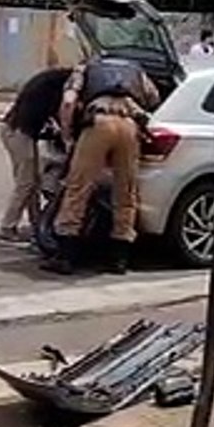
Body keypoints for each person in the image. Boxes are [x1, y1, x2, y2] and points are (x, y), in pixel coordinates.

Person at [46, 56, 161, 275]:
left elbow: (68, 101)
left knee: (78, 187)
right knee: (126, 191)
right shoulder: (135, 69)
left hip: (98, 123)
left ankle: (66, 256)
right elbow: (154, 99)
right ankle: (119, 258)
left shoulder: (86, 67)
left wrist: (67, 134)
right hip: (129, 125)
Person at [0, 66, 73, 244]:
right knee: (27, 183)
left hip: (13, 131)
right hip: (19, 134)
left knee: (33, 182)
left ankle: (36, 223)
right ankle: (8, 226)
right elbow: (61, 119)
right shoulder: (55, 92)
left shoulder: (42, 85)